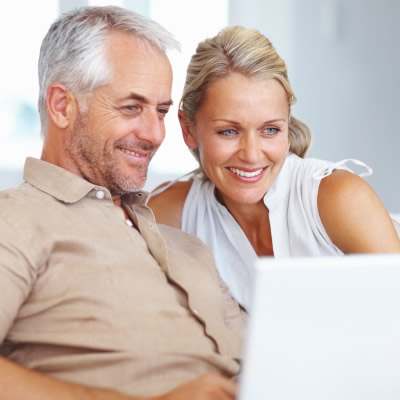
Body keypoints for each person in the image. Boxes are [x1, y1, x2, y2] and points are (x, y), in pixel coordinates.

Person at [0, 6, 247, 400]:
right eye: (131, 107)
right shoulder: (14, 221)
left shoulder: (187, 247)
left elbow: (271, 360)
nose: (154, 134)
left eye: (162, 111)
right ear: (62, 106)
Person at [148, 26, 400, 309]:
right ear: (188, 129)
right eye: (229, 132)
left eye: (270, 130)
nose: (253, 155)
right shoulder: (170, 213)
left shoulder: (338, 198)